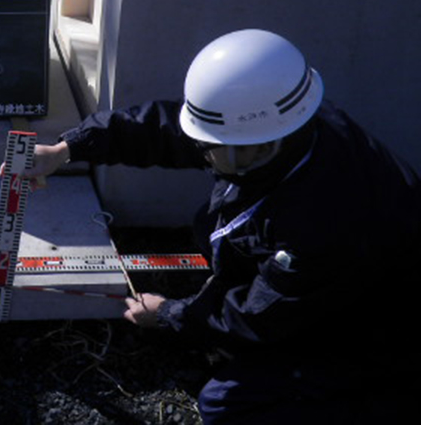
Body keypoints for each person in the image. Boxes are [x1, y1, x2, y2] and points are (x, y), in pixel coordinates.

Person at [22, 29, 421, 424]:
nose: (202, 153)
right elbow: (165, 131)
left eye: (212, 148)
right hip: (330, 281)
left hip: (373, 328)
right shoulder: (287, 126)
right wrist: (68, 149)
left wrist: (169, 315)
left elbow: (259, 316)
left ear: (260, 146)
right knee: (211, 227)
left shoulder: (321, 224)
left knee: (225, 405)